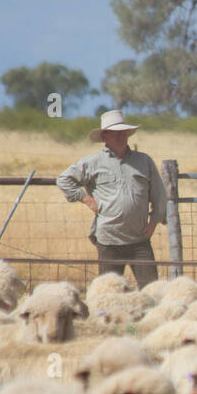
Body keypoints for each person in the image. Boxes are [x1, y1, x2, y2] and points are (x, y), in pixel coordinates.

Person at [57, 109, 168, 287]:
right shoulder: (92, 162)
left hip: (139, 239)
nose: (120, 137)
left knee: (152, 290)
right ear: (105, 136)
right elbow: (63, 179)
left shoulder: (144, 161)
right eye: (115, 133)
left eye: (123, 132)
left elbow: (159, 194)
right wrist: (85, 199)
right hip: (108, 240)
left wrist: (154, 221)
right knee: (108, 291)